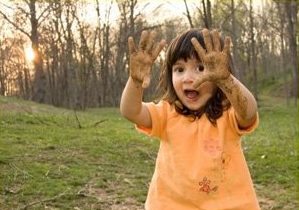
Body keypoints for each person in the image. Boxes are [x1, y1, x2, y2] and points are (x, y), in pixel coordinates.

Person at [120, 28, 260, 210]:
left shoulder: (228, 115)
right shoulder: (167, 113)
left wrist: (226, 80)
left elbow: (249, 112)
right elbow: (130, 111)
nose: (188, 78)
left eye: (200, 68)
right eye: (179, 69)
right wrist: (135, 81)